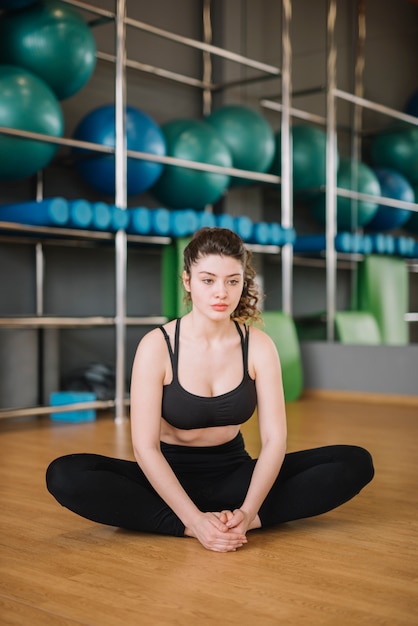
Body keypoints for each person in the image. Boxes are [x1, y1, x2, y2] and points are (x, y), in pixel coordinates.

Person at [46, 227, 374, 552]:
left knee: (354, 462)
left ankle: (241, 523)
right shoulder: (157, 346)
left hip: (235, 476)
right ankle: (189, 525)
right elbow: (145, 449)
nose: (222, 292)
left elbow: (275, 441)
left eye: (233, 281)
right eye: (208, 280)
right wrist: (195, 521)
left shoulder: (258, 346)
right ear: (188, 281)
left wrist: (246, 512)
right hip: (166, 478)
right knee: (65, 474)